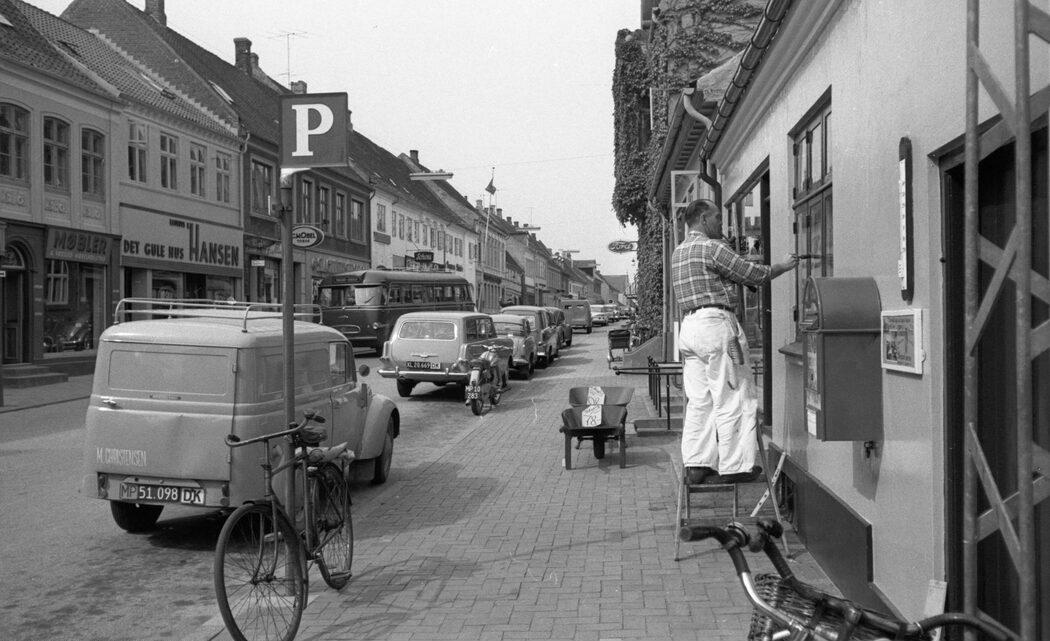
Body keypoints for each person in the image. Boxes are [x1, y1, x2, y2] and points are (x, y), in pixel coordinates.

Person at [671, 199, 798, 485]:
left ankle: (697, 465)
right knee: (734, 395)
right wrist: (784, 266)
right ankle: (735, 466)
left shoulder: (679, 253)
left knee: (700, 400)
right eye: (717, 217)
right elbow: (752, 273)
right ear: (703, 219)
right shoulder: (712, 248)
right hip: (717, 327)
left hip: (690, 329)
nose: (721, 223)